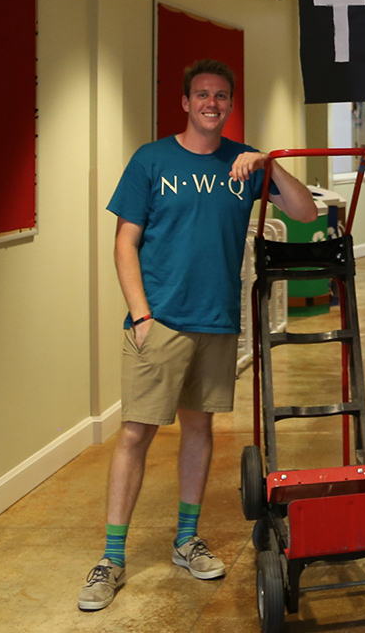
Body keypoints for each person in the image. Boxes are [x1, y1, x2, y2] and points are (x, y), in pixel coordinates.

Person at [78, 60, 317, 611]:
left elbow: (303, 213)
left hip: (216, 322)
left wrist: (273, 166)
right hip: (158, 322)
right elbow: (124, 242)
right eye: (202, 94)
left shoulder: (245, 163)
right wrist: (140, 314)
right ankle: (112, 558)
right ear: (185, 102)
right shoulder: (151, 160)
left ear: (231, 105)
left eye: (222, 96)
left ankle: (185, 541)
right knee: (135, 434)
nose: (212, 102)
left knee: (199, 429)